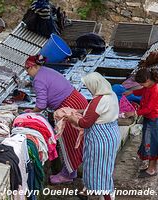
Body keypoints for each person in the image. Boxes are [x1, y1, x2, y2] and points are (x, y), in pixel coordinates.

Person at [24, 55, 88, 184]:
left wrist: (32, 112)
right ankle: (74, 170)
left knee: (69, 143)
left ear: (33, 66)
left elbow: (41, 104)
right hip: (77, 100)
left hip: (69, 108)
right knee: (79, 141)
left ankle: (67, 175)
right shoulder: (46, 71)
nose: (27, 72)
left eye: (27, 69)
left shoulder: (38, 79)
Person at [64, 72, 120, 200]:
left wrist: (71, 117)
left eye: (88, 86)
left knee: (99, 169)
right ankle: (91, 191)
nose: (88, 89)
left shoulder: (98, 101)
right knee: (103, 167)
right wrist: (79, 111)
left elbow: (85, 123)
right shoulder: (111, 95)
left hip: (100, 139)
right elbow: (96, 113)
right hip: (110, 134)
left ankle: (107, 196)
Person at [124, 68, 158, 178]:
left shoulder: (155, 91)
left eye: (142, 83)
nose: (142, 85)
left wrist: (134, 112)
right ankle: (150, 167)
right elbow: (142, 91)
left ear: (148, 80)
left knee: (153, 145)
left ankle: (152, 169)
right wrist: (132, 91)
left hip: (154, 121)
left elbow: (148, 109)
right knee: (149, 143)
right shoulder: (148, 87)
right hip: (149, 119)